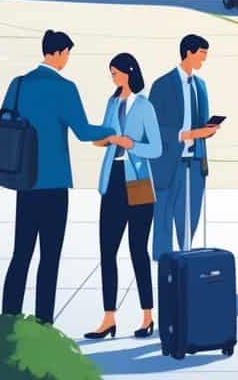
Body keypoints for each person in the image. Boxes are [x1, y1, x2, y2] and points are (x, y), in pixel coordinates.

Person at [2, 30, 116, 325]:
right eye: (67, 54)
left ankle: (7, 318)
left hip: (25, 181)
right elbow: (82, 132)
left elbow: (5, 119)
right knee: (49, 259)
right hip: (53, 185)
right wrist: (111, 132)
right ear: (60, 52)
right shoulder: (65, 88)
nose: (67, 59)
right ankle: (43, 323)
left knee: (21, 254)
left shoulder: (18, 85)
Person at [86, 53, 162, 340]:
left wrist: (130, 144)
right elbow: (100, 138)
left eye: (116, 73)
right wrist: (106, 139)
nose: (113, 78)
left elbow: (156, 148)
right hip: (113, 180)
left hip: (139, 182)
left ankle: (147, 316)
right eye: (111, 74)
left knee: (137, 251)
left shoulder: (145, 106)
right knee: (107, 251)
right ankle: (108, 319)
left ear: (129, 72)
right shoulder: (111, 102)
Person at [150, 34, 220, 260]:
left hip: (195, 160)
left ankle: (186, 259)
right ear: (189, 53)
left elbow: (202, 121)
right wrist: (186, 135)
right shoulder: (162, 85)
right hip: (168, 161)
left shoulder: (201, 86)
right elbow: (153, 128)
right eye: (202, 54)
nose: (204, 60)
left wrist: (207, 130)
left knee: (190, 215)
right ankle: (163, 263)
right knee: (163, 214)